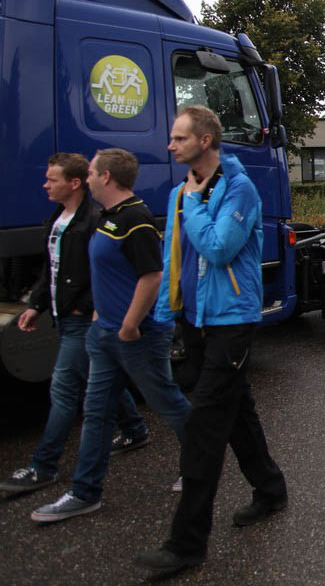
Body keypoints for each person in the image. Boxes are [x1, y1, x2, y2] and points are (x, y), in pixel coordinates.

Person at [135, 106, 288, 579]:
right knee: (237, 412)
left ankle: (186, 544)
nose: (170, 145)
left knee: (203, 426)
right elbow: (174, 255)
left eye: (179, 138)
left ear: (205, 140)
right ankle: (271, 490)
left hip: (232, 321)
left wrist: (196, 205)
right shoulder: (181, 192)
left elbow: (219, 248)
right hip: (196, 319)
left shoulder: (238, 188)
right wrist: (166, 314)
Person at [32, 149, 191, 524]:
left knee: (168, 403)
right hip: (104, 334)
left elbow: (152, 276)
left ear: (106, 177)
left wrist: (130, 325)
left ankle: (201, 461)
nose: (86, 178)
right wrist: (99, 316)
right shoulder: (106, 217)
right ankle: (85, 493)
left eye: (91, 172)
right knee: (96, 413)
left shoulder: (135, 218)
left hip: (137, 337)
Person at [1, 154, 150, 497]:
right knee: (97, 379)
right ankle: (135, 429)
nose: (45, 185)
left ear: (75, 183)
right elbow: (52, 269)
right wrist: (36, 305)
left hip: (81, 320)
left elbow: (107, 272)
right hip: (64, 317)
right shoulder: (58, 219)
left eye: (52, 179)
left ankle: (43, 466)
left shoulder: (94, 221)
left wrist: (87, 307)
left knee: (65, 389)